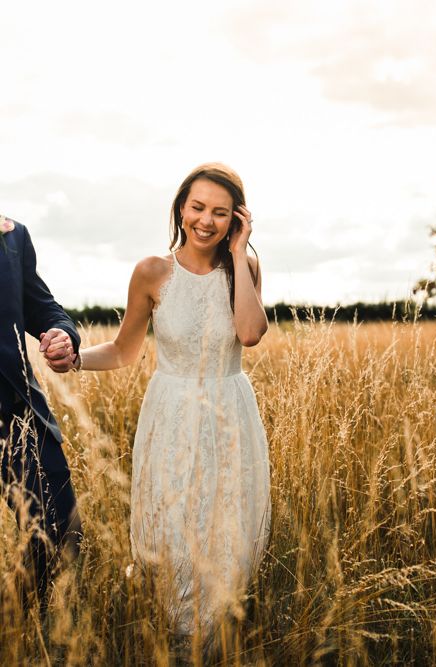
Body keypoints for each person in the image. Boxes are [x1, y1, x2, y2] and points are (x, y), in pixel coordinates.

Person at [66, 163, 271, 636]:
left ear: (237, 220)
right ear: (181, 209)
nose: (207, 220)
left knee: (228, 531)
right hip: (172, 412)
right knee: (177, 530)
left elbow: (250, 332)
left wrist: (239, 254)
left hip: (231, 409)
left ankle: (217, 633)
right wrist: (74, 359)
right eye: (198, 207)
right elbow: (123, 351)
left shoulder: (245, 265)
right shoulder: (152, 272)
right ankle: (178, 639)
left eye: (221, 213)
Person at [0, 214, 83, 612]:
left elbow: (41, 306)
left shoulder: (13, 235)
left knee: (59, 530)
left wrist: (62, 333)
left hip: (18, 410)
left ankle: (17, 627)